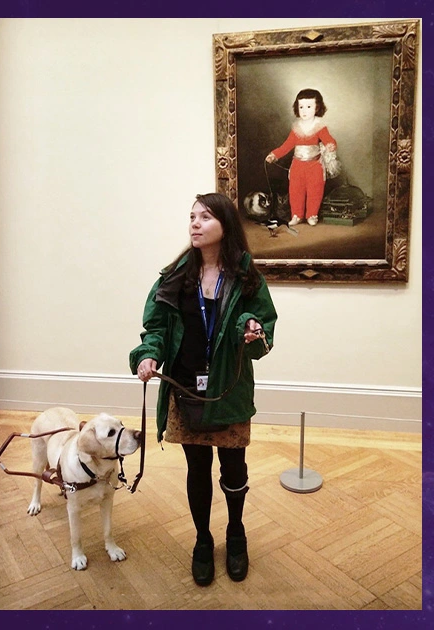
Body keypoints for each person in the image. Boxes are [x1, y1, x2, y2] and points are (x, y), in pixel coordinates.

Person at [130, 192, 278, 587]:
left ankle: (235, 533)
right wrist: (148, 356)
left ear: (225, 225)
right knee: (197, 469)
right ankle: (202, 539)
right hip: (185, 389)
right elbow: (156, 329)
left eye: (205, 217)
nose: (194, 223)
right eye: (192, 217)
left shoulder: (247, 277)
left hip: (229, 390)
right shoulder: (175, 277)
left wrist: (251, 329)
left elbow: (265, 327)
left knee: (233, 468)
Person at [265, 88, 339, 227]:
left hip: (314, 165)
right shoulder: (296, 128)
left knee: (315, 190)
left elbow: (329, 140)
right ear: (297, 108)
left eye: (309, 107)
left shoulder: (319, 126)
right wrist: (274, 155)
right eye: (301, 107)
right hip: (297, 165)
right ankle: (296, 215)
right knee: (295, 190)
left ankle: (312, 215)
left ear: (317, 108)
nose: (304, 111)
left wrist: (330, 145)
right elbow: (286, 146)